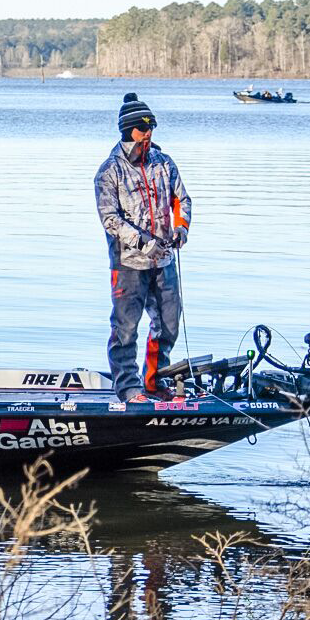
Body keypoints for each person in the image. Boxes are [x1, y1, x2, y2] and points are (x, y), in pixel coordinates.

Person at [95, 93, 192, 402]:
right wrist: (142, 241)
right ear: (128, 130)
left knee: (168, 324)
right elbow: (109, 218)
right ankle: (128, 387)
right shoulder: (109, 171)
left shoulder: (165, 163)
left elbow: (182, 200)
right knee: (125, 328)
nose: (148, 133)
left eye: (152, 126)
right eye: (143, 127)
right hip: (128, 263)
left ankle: (155, 381)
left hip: (164, 261)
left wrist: (181, 228)